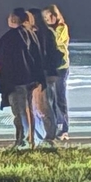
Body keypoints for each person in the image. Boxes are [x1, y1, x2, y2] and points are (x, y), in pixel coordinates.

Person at [0, 8, 49, 149]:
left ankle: (22, 141)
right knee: (28, 109)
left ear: (13, 19)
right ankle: (31, 140)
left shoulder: (8, 38)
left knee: (19, 111)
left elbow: (3, 62)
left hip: (14, 80)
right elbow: (38, 57)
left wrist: (3, 80)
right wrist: (39, 79)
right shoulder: (31, 35)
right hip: (30, 79)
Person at [27, 8, 60, 144]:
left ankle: (49, 135)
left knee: (42, 106)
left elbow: (39, 55)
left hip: (42, 74)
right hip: (48, 73)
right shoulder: (47, 33)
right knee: (43, 105)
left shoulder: (38, 34)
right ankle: (46, 134)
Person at [42, 5, 70, 140]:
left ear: (56, 15)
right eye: (45, 18)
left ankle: (64, 128)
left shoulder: (61, 28)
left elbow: (57, 41)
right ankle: (54, 126)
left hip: (61, 66)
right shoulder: (47, 31)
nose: (48, 19)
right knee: (51, 99)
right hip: (51, 67)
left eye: (50, 16)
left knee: (60, 97)